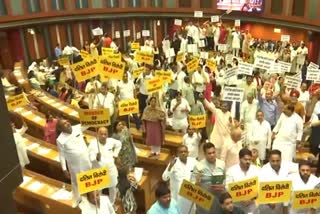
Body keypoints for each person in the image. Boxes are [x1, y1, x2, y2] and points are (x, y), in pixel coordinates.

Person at [56, 119, 92, 207]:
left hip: (86, 160)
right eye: (64, 124)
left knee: (89, 178)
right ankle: (77, 199)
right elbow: (61, 155)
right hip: (74, 165)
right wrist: (64, 169)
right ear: (61, 128)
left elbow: (89, 122)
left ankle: (91, 198)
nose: (67, 123)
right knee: (76, 183)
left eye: (67, 122)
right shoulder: (60, 139)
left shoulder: (77, 127)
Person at [88, 127, 122, 205]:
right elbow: (90, 157)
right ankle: (99, 204)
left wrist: (115, 154)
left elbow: (119, 144)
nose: (103, 136)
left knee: (113, 187)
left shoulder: (111, 141)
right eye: (101, 134)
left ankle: (112, 203)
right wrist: (96, 158)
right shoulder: (93, 143)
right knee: (98, 190)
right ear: (97, 134)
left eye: (105, 134)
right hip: (99, 171)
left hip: (111, 169)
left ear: (107, 135)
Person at [258, 150, 298, 214]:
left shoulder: (286, 164)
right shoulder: (263, 170)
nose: (275, 163)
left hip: (283, 201)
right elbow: (260, 189)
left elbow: (300, 167)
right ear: (269, 160)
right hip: (268, 204)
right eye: (273, 161)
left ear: (281, 159)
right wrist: (268, 202)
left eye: (277, 161)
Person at [162, 145, 197, 213]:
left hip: (190, 194)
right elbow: (164, 178)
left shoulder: (193, 161)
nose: (183, 153)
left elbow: (200, 171)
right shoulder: (173, 163)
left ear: (188, 153)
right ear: (177, 154)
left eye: (185, 151)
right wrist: (170, 166)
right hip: (178, 197)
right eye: (181, 152)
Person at [192, 142, 226, 214]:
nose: (212, 155)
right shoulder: (198, 166)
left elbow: (226, 180)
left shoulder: (221, 164)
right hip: (204, 201)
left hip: (219, 199)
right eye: (209, 153)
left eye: (213, 152)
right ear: (204, 154)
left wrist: (224, 185)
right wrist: (197, 182)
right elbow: (191, 187)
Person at [226, 148, 260, 213]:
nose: (248, 162)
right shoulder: (231, 171)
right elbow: (228, 188)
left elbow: (259, 187)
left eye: (249, 159)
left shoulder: (256, 170)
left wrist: (251, 199)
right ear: (240, 159)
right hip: (237, 206)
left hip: (252, 206)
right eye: (245, 159)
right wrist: (241, 199)